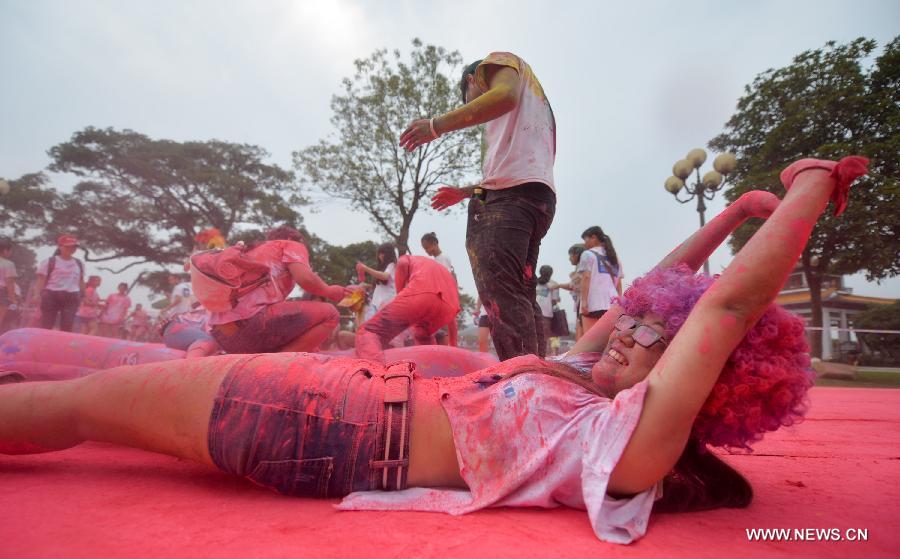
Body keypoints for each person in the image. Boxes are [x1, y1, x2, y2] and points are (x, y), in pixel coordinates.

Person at [0, 157, 868, 544]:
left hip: (323, 420)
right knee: (101, 394)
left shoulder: (629, 443)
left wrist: (811, 184)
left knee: (77, 410)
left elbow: (729, 303)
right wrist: (727, 216)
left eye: (658, 341)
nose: (635, 331)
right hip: (334, 398)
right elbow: (666, 292)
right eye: (639, 322)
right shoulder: (592, 387)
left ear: (708, 386)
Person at [402, 53, 556, 361]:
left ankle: (522, 379)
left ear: (473, 80)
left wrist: (437, 125)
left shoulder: (498, 64)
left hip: (509, 200)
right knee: (520, 295)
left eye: (467, 97)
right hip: (534, 198)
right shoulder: (531, 109)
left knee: (500, 295)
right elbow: (510, 171)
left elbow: (504, 95)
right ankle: (538, 372)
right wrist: (464, 192)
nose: (470, 105)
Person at [207, 226, 347, 354]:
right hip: (250, 323)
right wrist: (329, 291)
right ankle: (283, 361)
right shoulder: (289, 244)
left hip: (221, 334)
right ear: (291, 238)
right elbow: (306, 279)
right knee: (330, 314)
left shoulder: (250, 251)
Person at [355, 255, 460, 362]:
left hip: (419, 296)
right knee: (422, 335)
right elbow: (453, 322)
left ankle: (373, 369)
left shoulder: (407, 258)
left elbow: (402, 263)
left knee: (368, 331)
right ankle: (434, 367)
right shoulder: (443, 272)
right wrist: (453, 347)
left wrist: (400, 295)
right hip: (448, 307)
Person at [35, 235, 86, 332]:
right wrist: (36, 294)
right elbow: (41, 280)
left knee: (67, 324)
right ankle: (43, 344)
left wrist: (85, 296)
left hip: (71, 297)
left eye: (73, 247)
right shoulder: (50, 261)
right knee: (47, 323)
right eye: (68, 246)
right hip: (51, 295)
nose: (71, 249)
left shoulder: (79, 263)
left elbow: (81, 281)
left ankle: (61, 345)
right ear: (60, 246)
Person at [578, 226, 623, 334]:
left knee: (590, 339)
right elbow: (618, 283)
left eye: (586, 239)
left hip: (593, 303)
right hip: (613, 303)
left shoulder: (587, 254)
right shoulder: (614, 258)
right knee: (609, 338)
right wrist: (620, 302)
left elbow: (586, 278)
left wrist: (583, 302)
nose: (585, 243)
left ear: (593, 237)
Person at [421, 232, 458, 347]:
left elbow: (446, 276)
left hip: (445, 293)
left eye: (427, 247)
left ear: (435, 244)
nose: (426, 251)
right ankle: (439, 343)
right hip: (439, 293)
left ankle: (453, 344)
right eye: (424, 249)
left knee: (451, 320)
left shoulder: (443, 258)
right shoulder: (435, 260)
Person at [355, 243, 398, 321]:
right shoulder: (382, 267)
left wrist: (365, 268)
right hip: (377, 303)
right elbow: (380, 286)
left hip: (388, 303)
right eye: (380, 253)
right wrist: (367, 285)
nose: (380, 256)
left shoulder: (392, 265)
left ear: (389, 254)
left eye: (383, 253)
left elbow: (385, 276)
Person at [558, 244, 585, 340]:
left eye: (570, 255)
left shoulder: (582, 267)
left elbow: (573, 285)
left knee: (582, 327)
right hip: (581, 301)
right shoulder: (579, 267)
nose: (569, 259)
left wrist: (558, 285)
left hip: (583, 302)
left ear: (576, 254)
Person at [535, 265, 560, 357]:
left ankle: (534, 355)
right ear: (551, 273)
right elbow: (555, 300)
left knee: (534, 335)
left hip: (533, 312)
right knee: (545, 336)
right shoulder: (554, 284)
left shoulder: (534, 283)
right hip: (546, 313)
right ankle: (543, 356)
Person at [0, 239, 19, 330]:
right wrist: (12, 298)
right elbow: (9, 282)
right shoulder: (8, 264)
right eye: (10, 250)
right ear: (5, 250)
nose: (10, 253)